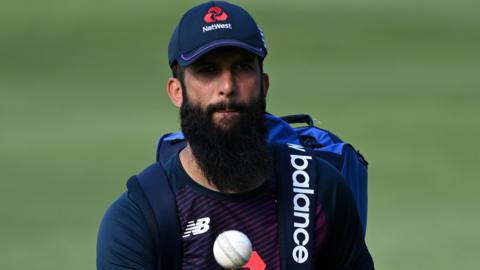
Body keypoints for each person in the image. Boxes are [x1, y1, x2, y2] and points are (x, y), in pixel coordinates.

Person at [97, 1, 374, 269]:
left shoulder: (320, 189)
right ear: (176, 91)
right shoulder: (141, 219)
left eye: (242, 67)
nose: (228, 86)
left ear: (263, 85)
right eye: (208, 70)